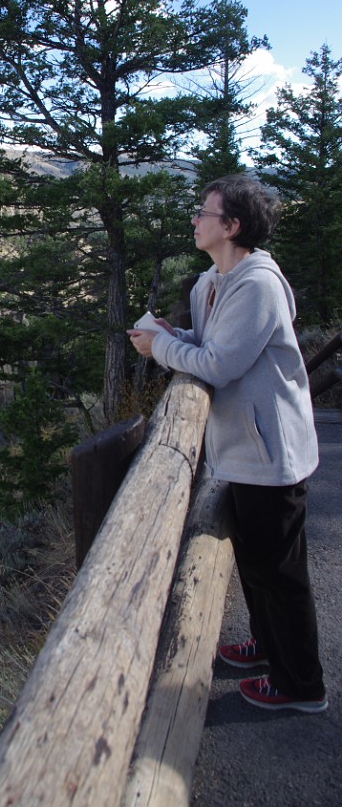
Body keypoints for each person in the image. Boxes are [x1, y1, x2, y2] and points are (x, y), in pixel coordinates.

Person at [127, 174, 327, 713]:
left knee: (281, 574)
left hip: (272, 454)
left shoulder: (257, 284)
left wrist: (164, 348)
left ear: (231, 226)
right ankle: (269, 648)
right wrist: (175, 334)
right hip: (244, 451)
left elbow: (220, 365)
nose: (195, 219)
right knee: (259, 564)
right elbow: (213, 342)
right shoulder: (212, 281)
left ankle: (301, 685)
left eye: (204, 213)